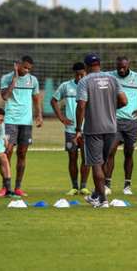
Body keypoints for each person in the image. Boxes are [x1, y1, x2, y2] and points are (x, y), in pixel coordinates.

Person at [76, 53, 127, 208]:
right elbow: (124, 101)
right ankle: (95, 195)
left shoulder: (84, 81)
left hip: (93, 129)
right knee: (103, 161)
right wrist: (111, 108)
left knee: (96, 164)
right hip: (112, 127)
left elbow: (82, 105)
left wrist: (78, 128)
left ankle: (103, 201)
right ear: (99, 64)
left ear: (86, 67)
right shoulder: (113, 79)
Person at [104, 56, 137, 196]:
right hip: (114, 120)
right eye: (119, 67)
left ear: (128, 65)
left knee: (129, 154)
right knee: (110, 152)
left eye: (124, 67)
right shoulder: (109, 76)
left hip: (132, 123)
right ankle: (107, 184)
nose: (121, 70)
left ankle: (127, 185)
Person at [0, 55, 42, 197]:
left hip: (26, 122)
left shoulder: (33, 80)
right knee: (7, 153)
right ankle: (5, 187)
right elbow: (5, 97)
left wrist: (39, 115)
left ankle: (17, 187)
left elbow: (36, 99)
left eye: (29, 68)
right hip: (10, 119)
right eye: (25, 67)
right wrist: (14, 80)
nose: (27, 70)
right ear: (17, 64)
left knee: (22, 154)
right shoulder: (6, 78)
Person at [51, 62, 91, 196]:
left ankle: (84, 187)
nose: (80, 77)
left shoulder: (90, 86)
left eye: (82, 74)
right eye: (77, 75)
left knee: (86, 158)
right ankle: (74, 187)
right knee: (72, 157)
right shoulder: (66, 86)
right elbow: (53, 100)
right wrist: (62, 118)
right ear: (74, 74)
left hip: (87, 129)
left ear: (86, 73)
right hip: (70, 130)